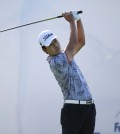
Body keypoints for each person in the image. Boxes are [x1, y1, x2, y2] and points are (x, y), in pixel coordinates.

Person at [38, 11, 96, 134]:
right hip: (73, 110)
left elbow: (81, 42)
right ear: (45, 50)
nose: (55, 45)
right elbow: (74, 42)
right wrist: (71, 21)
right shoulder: (56, 62)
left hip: (89, 107)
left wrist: (78, 20)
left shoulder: (65, 54)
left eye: (55, 41)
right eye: (50, 44)